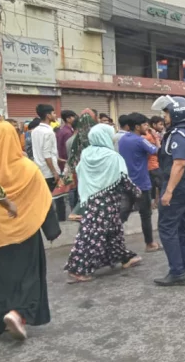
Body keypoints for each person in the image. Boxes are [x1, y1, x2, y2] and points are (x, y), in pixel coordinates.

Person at [0, 122, 59, 341]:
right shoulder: (28, 168)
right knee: (29, 276)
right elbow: (44, 199)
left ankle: (3, 315)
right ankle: (17, 313)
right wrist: (51, 230)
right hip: (26, 234)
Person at [64, 124, 143, 283]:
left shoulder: (86, 153)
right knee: (93, 236)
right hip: (107, 202)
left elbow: (79, 171)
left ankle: (124, 258)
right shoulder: (113, 157)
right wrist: (137, 192)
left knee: (113, 233)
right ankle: (78, 269)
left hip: (93, 199)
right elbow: (122, 179)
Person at [151, 96, 185, 287]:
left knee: (167, 227)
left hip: (178, 186)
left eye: (166, 113)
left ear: (175, 112)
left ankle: (177, 271)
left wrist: (169, 192)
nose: (164, 117)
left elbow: (180, 163)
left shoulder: (179, 134)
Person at [118, 113, 161, 253]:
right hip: (142, 183)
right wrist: (156, 137)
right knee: (145, 214)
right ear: (136, 126)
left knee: (122, 215)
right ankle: (149, 243)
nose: (147, 127)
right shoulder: (140, 140)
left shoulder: (123, 139)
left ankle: (113, 242)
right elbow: (156, 151)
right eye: (145, 125)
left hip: (126, 182)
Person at [32, 104, 65, 221]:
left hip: (39, 169)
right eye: (53, 113)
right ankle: (60, 221)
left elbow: (42, 151)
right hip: (49, 171)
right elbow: (46, 154)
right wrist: (54, 172)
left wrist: (59, 159)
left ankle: (45, 219)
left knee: (44, 197)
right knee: (58, 197)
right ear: (48, 115)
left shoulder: (35, 131)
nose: (55, 115)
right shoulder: (49, 132)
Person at [146, 116, 164, 209]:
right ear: (153, 125)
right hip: (153, 165)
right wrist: (156, 138)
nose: (162, 127)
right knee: (161, 185)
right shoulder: (149, 136)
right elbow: (158, 150)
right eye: (160, 124)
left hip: (154, 165)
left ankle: (154, 204)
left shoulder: (154, 134)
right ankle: (160, 204)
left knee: (153, 187)